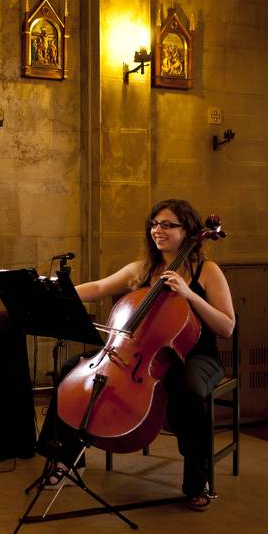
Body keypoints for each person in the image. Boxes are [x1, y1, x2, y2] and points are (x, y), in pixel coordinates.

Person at [39, 198, 235, 511]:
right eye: (155, 224)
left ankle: (199, 478)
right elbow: (100, 287)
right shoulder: (143, 269)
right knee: (70, 369)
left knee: (188, 391)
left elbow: (226, 326)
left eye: (168, 225)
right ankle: (63, 458)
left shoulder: (207, 271)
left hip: (196, 357)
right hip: (140, 354)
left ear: (188, 231)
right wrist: (53, 290)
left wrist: (187, 293)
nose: (159, 230)